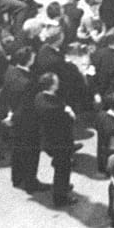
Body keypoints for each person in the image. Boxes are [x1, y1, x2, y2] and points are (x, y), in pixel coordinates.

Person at [33, 70, 77, 206]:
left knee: (60, 165)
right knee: (63, 168)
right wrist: (69, 112)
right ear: (52, 85)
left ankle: (61, 187)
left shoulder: (39, 97)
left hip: (48, 138)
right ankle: (61, 196)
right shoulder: (54, 108)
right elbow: (69, 120)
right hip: (60, 141)